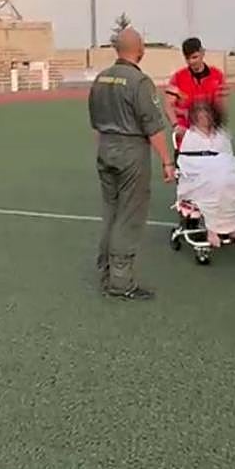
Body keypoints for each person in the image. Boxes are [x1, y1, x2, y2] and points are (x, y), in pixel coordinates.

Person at [88, 27, 175, 300]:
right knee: (129, 215)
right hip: (130, 151)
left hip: (105, 148)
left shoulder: (101, 79)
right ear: (140, 49)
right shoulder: (139, 82)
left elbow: (96, 123)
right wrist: (167, 162)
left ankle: (106, 270)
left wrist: (102, 151)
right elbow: (153, 126)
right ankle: (121, 281)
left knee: (111, 212)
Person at [176, 100, 235, 248]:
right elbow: (186, 162)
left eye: (207, 115)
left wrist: (222, 167)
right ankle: (212, 229)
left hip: (225, 174)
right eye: (200, 116)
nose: (204, 118)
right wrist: (211, 167)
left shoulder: (222, 135)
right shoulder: (191, 136)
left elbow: (229, 158)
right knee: (215, 189)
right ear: (194, 118)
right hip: (199, 179)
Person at [165, 37, 229, 153]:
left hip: (210, 136)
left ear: (202, 52)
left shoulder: (217, 76)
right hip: (186, 137)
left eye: (194, 57)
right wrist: (176, 126)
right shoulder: (178, 78)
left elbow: (221, 107)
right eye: (187, 58)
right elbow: (168, 105)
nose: (191, 62)